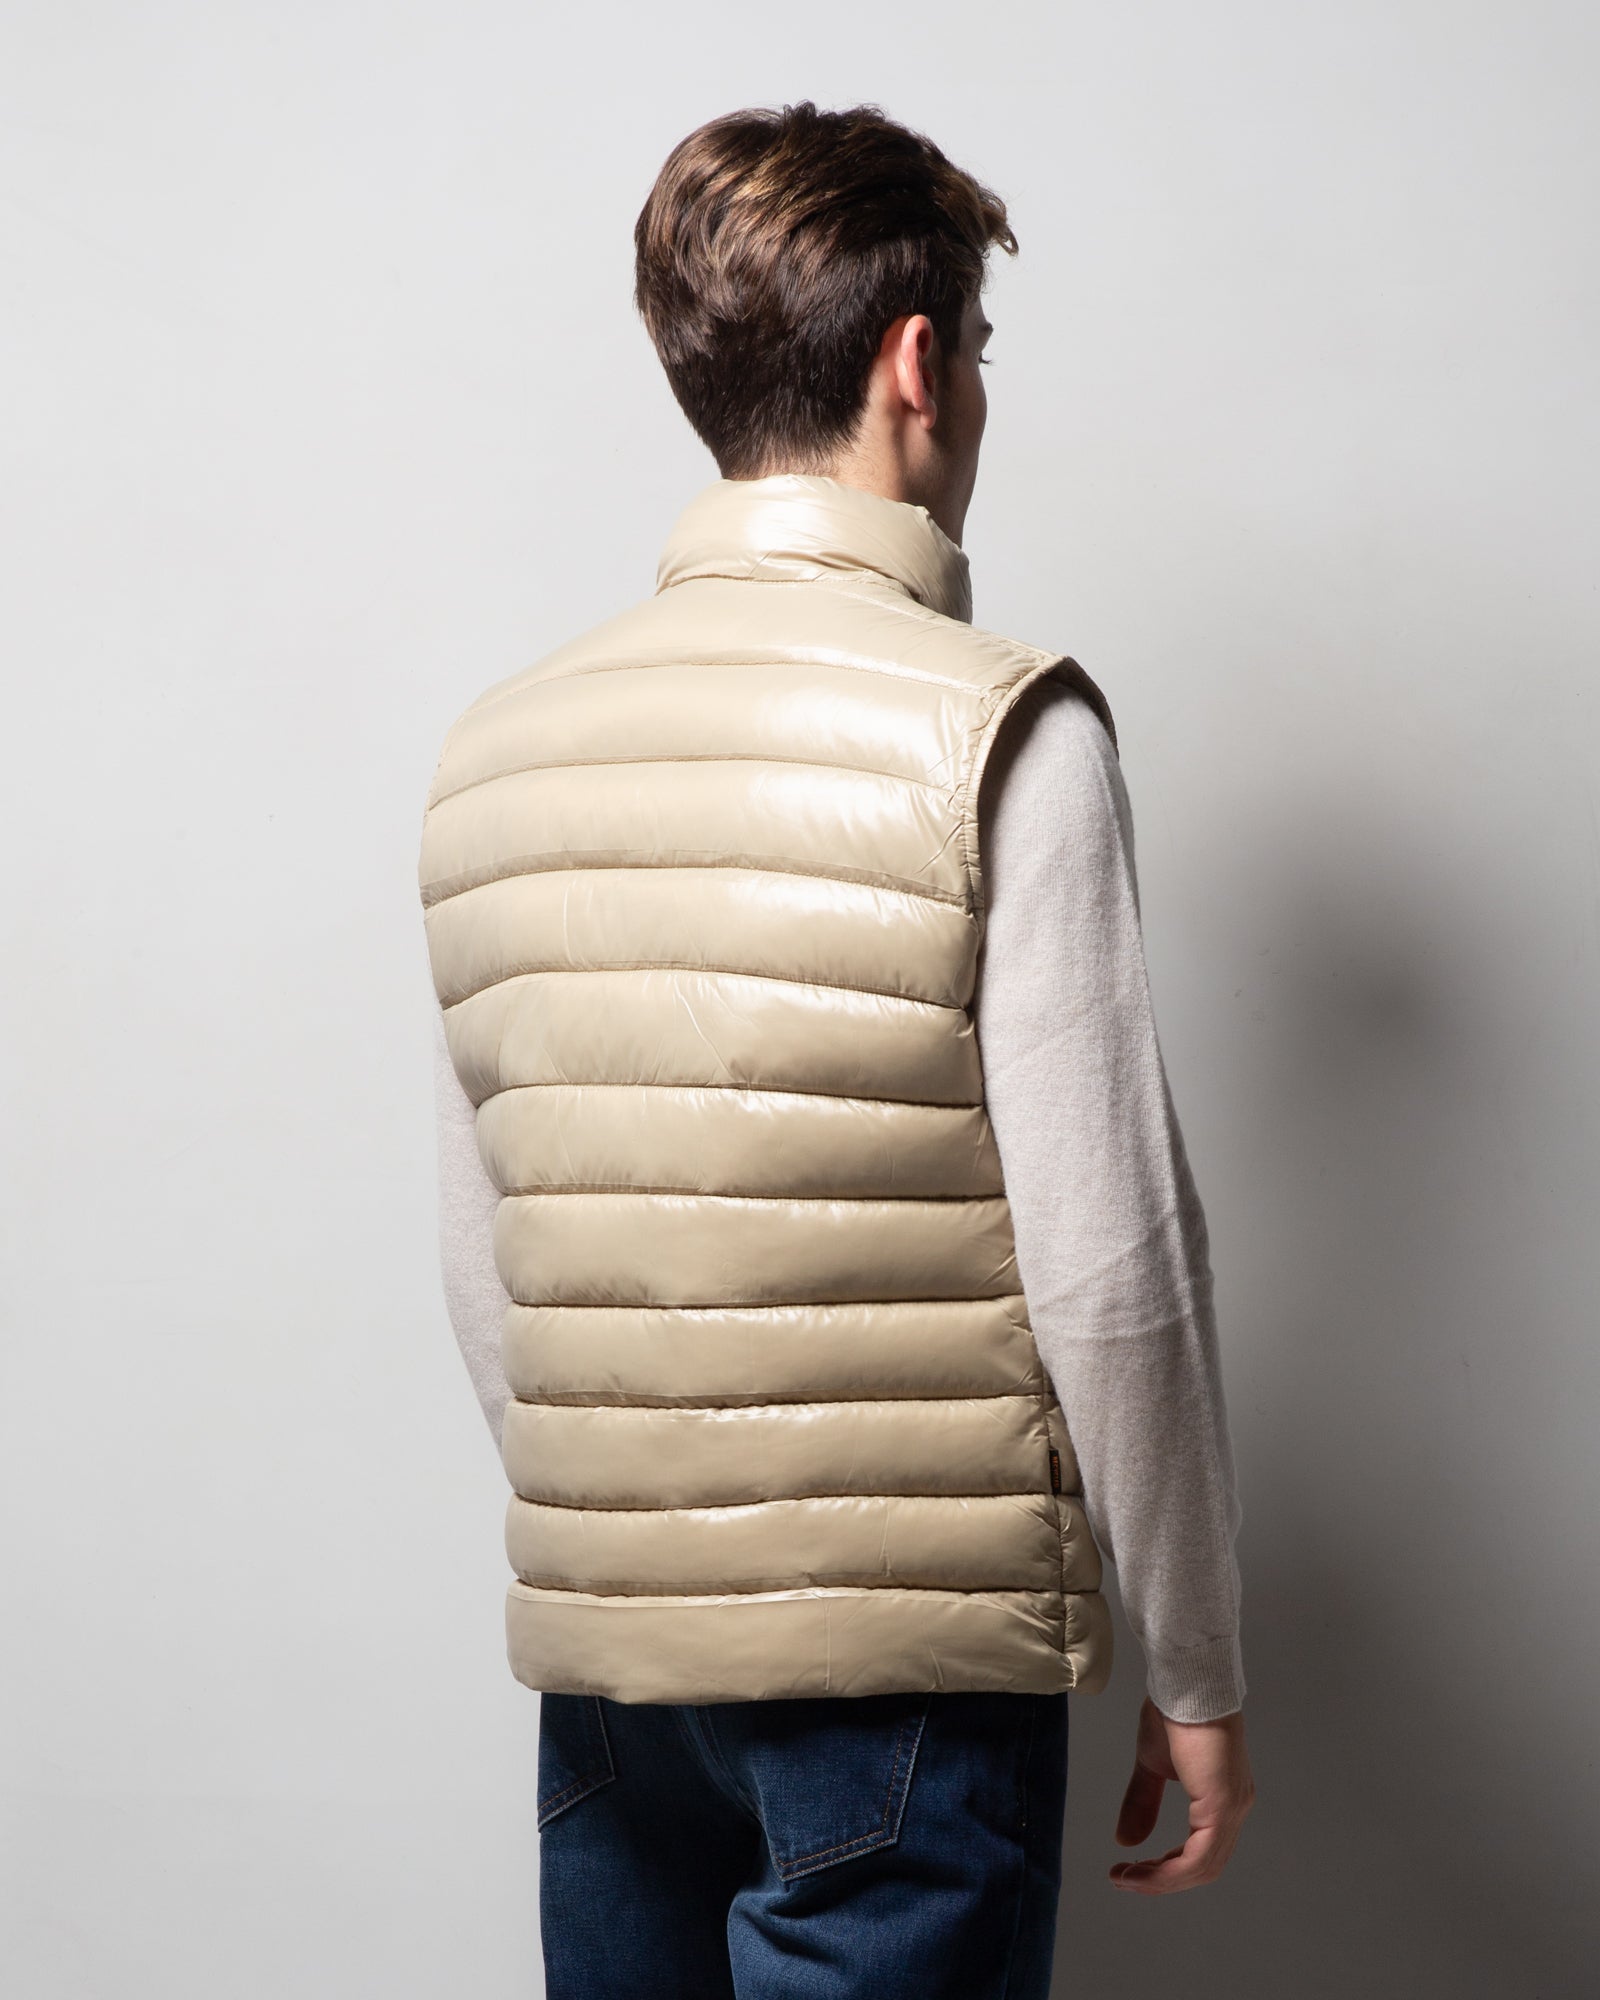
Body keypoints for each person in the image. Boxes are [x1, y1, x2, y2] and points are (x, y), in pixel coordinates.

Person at [419, 99, 1256, 1999]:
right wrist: (1198, 1662)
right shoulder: (1006, 731)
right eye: (981, 351)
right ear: (917, 363)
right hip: (907, 1673)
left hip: (617, 1677)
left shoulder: (497, 752)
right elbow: (1113, 1265)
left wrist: (656, 1543)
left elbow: (494, 1262)